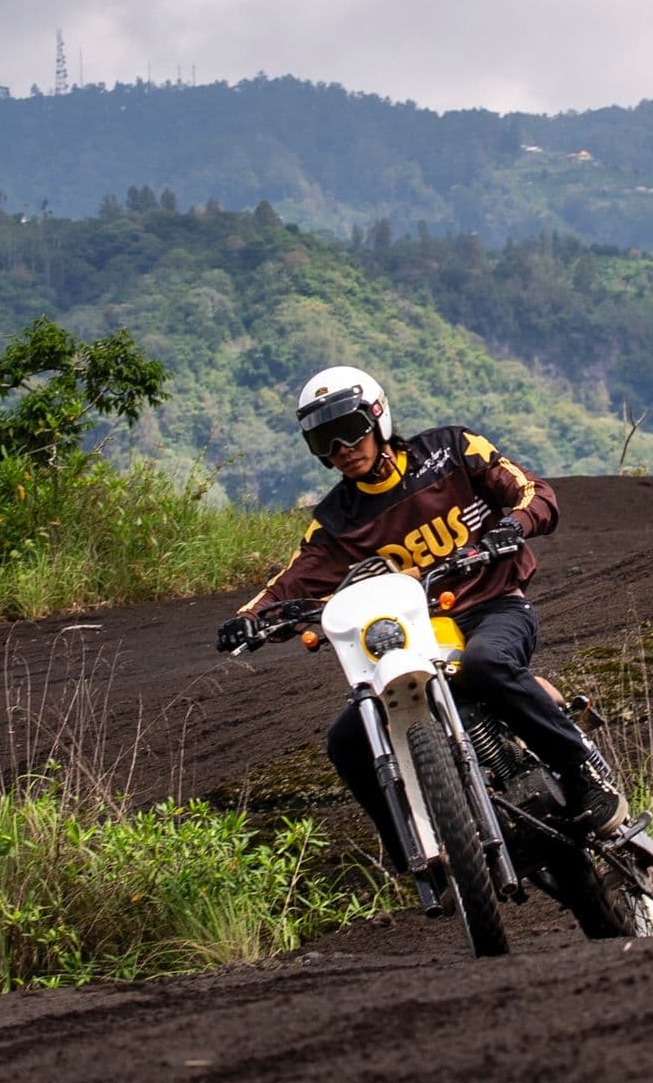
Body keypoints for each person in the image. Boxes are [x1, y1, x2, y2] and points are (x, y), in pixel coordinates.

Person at [218, 365, 627, 863]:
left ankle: (585, 774)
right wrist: (253, 619)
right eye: (326, 440)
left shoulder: (452, 451)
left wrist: (514, 526)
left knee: (486, 664)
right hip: (410, 637)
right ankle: (415, 853)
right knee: (346, 741)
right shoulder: (334, 522)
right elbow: (290, 583)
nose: (343, 448)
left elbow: (533, 493)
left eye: (350, 429)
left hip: (493, 606)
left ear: (378, 418)